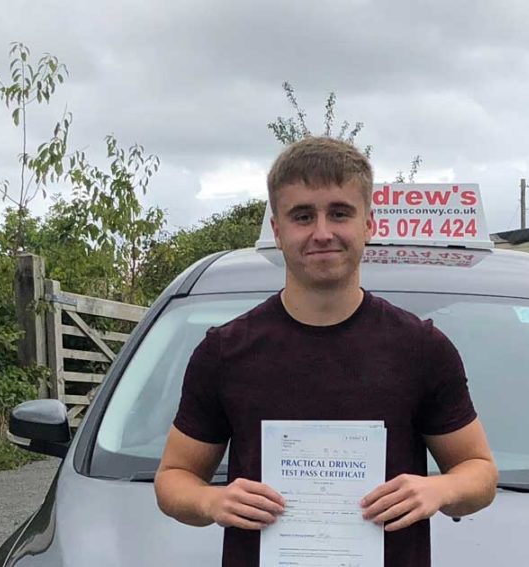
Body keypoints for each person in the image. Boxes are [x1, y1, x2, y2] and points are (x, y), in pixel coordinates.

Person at [154, 137, 497, 566]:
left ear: (368, 224)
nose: (322, 232)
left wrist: (439, 489)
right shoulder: (224, 352)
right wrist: (211, 501)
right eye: (302, 216)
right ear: (278, 231)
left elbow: (480, 472)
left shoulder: (422, 349)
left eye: (339, 213)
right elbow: (174, 478)